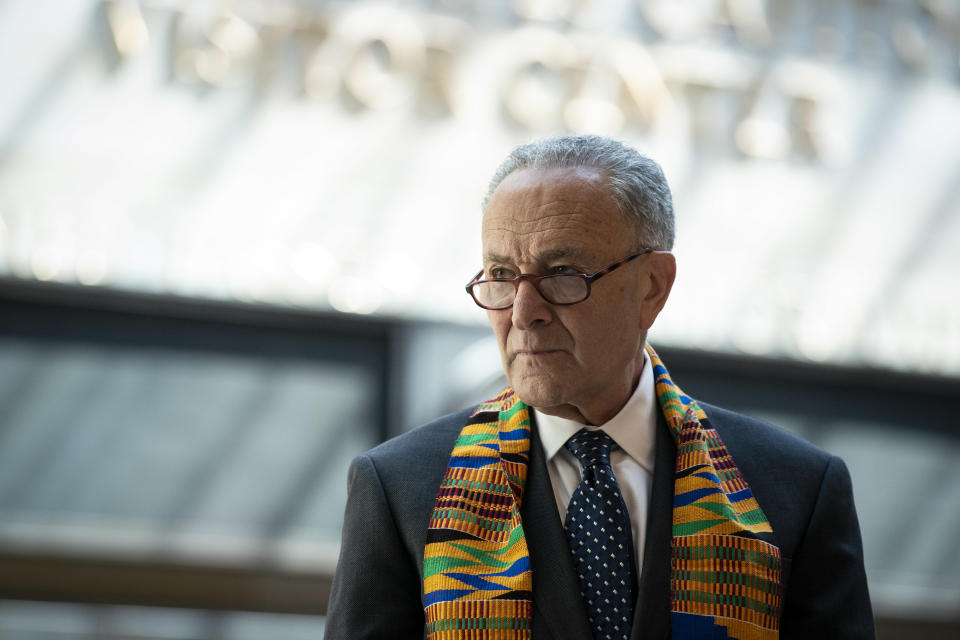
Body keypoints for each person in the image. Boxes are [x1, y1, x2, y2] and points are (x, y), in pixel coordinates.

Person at [324, 135, 874, 639]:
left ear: (653, 287)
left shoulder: (796, 490)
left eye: (563, 273)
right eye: (500, 275)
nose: (523, 313)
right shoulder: (400, 488)